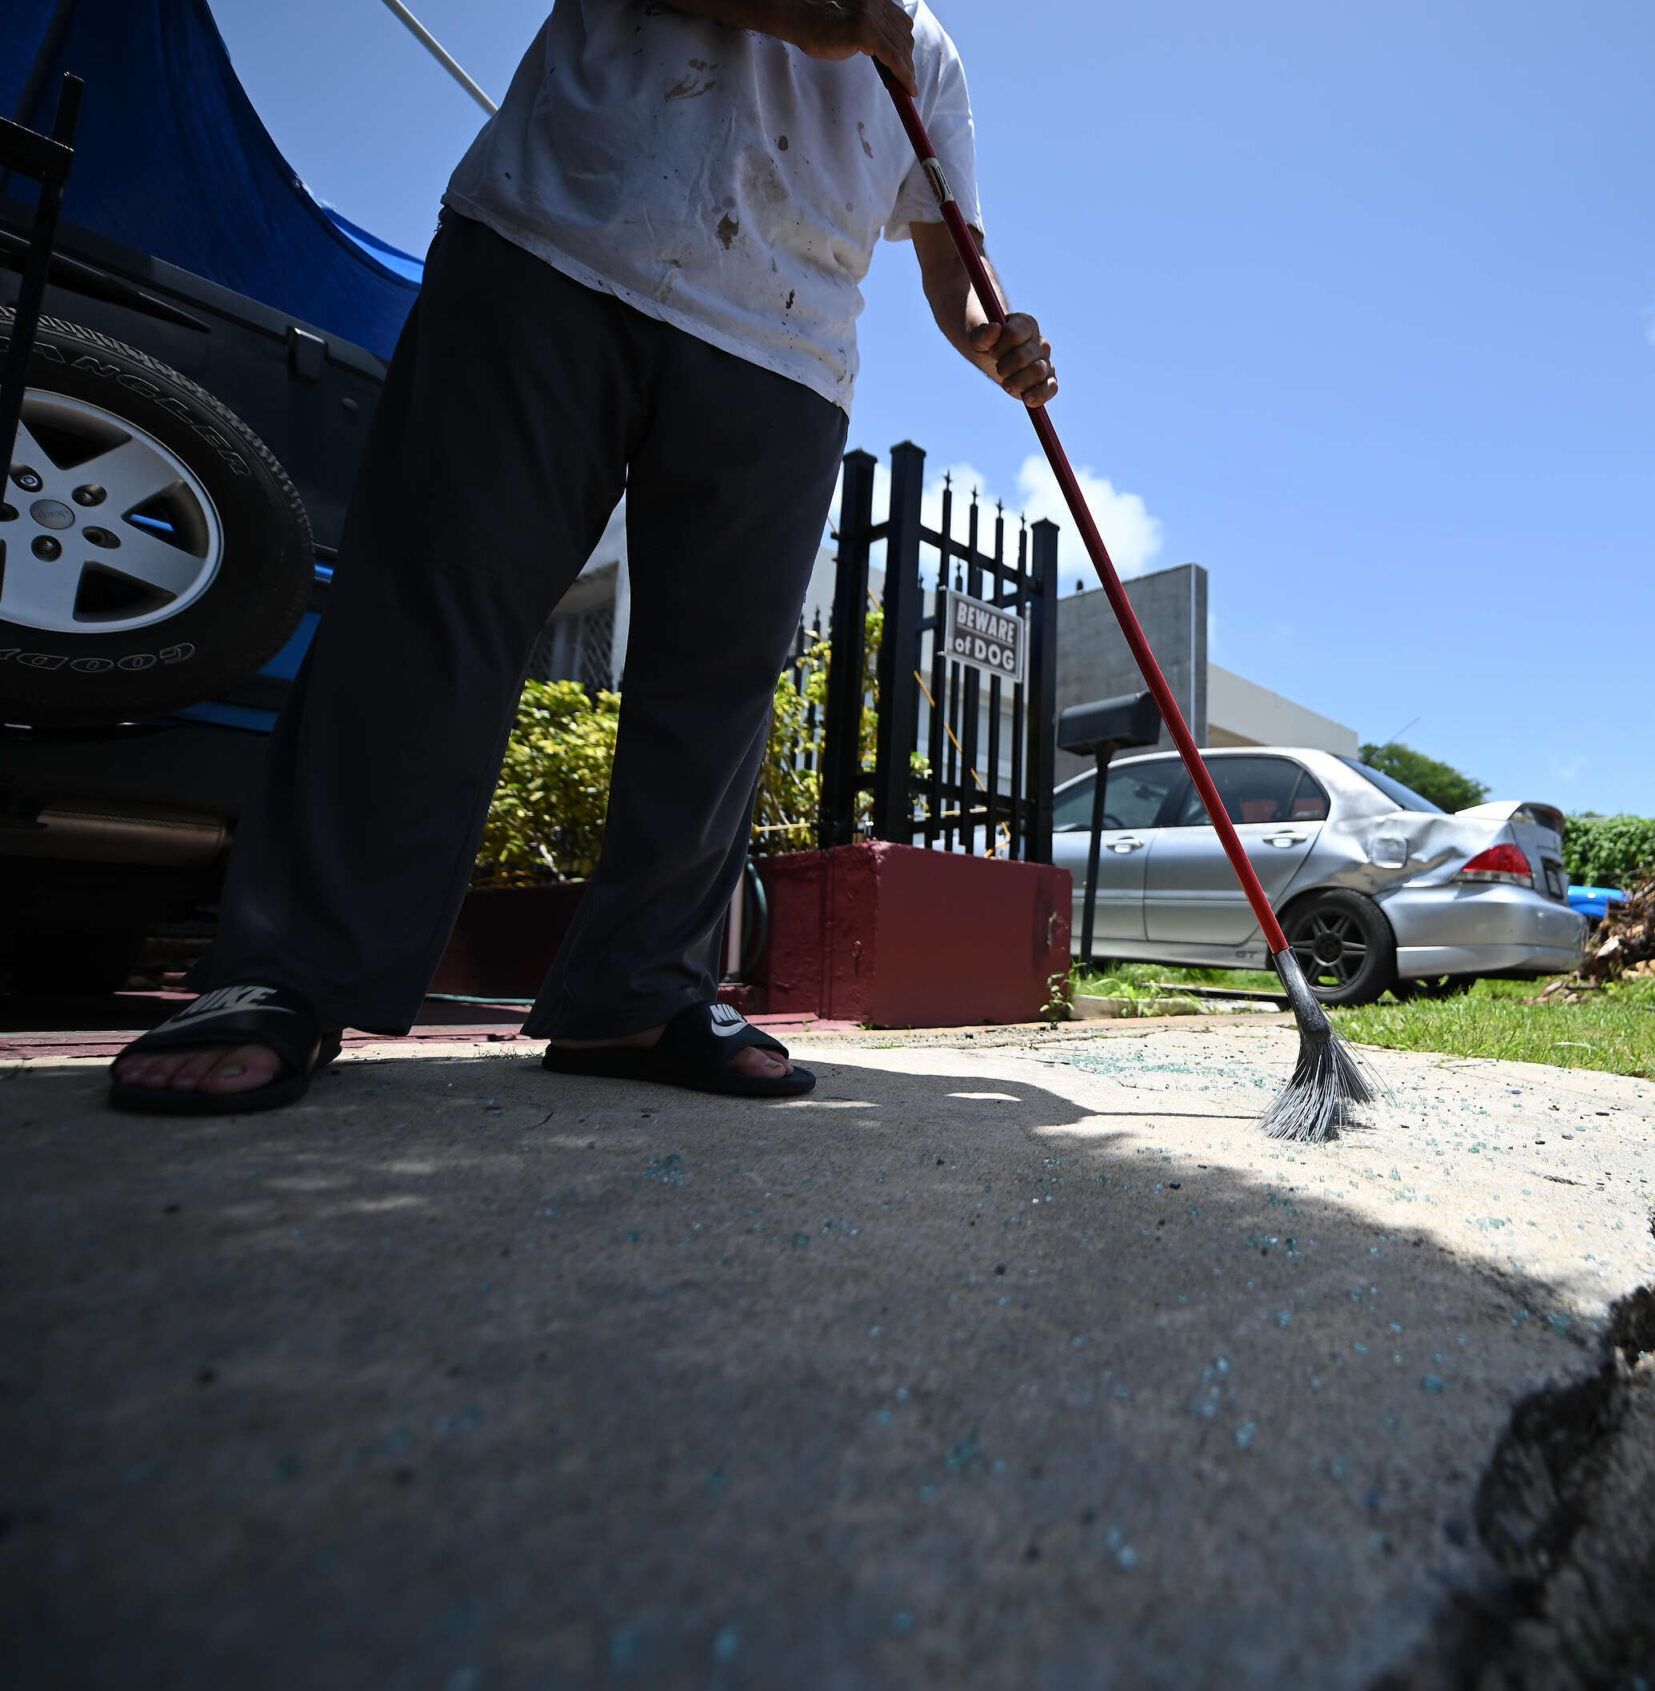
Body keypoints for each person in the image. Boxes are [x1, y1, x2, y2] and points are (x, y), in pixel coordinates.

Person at [109, 0, 1052, 1113]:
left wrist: (981, 331)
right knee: (432, 608)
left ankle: (638, 989)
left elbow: (947, 238)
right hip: (552, 253)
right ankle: (288, 968)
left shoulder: (929, 52)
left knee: (719, 682)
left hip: (785, 348)